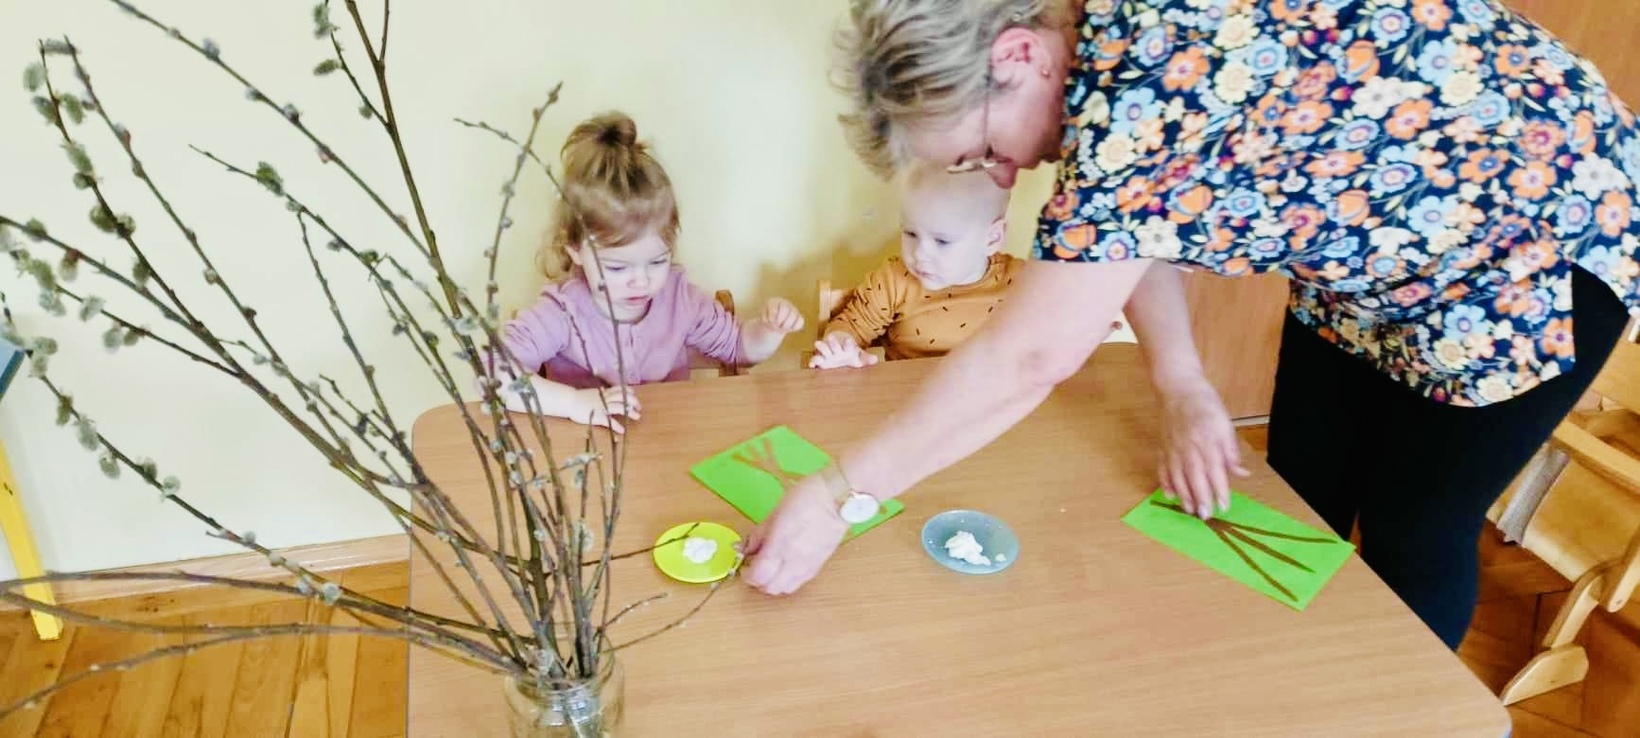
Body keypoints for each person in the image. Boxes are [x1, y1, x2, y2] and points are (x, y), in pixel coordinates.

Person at [742, 0, 1640, 651]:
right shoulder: (1103, 74)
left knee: (1415, 528)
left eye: (984, 149)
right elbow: (1134, 227)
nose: (1005, 175)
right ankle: (1283, 681)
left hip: (1538, 235)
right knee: (1298, 485)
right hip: (1377, 246)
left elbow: (1031, 355)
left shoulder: (1138, 82)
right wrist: (1179, 381)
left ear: (1018, 53)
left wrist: (836, 495)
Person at [491, 111, 805, 433]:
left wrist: (769, 330)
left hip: (669, 442)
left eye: (657, 262)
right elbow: (495, 375)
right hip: (589, 451)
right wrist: (573, 403)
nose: (641, 281)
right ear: (574, 250)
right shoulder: (562, 312)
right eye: (617, 267)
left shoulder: (680, 298)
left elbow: (740, 349)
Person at [810, 162, 1023, 369]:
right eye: (911, 233)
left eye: (942, 241)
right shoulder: (894, 280)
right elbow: (851, 325)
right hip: (907, 391)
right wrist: (841, 349)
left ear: (992, 239)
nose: (920, 253)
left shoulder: (1023, 284)